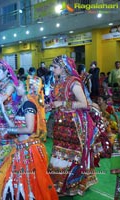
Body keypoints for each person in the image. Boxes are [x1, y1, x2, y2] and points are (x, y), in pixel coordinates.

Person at [0, 80, 58, 200]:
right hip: (20, 147)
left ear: (27, 88)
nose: (16, 87)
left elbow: (28, 128)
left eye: (19, 85)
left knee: (29, 182)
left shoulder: (29, 104)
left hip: (29, 150)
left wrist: (9, 131)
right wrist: (3, 111)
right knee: (14, 179)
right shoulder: (22, 104)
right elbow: (14, 125)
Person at [47, 55, 99, 196]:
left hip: (73, 125)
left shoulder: (73, 83)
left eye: (55, 67)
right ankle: (57, 183)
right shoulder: (58, 82)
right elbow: (59, 100)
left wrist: (62, 104)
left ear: (64, 68)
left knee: (71, 154)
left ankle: (71, 185)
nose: (52, 69)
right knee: (59, 152)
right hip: (60, 123)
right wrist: (51, 106)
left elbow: (84, 104)